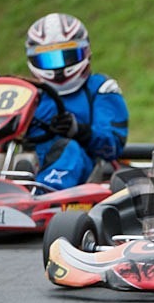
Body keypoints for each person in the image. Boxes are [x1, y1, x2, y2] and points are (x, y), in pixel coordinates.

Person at [23, 13, 128, 190]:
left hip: (82, 171)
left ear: (85, 52)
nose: (58, 69)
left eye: (67, 57)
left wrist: (79, 130)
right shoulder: (27, 93)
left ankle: (44, 195)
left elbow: (113, 146)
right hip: (31, 163)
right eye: (49, 59)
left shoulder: (101, 89)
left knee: (68, 149)